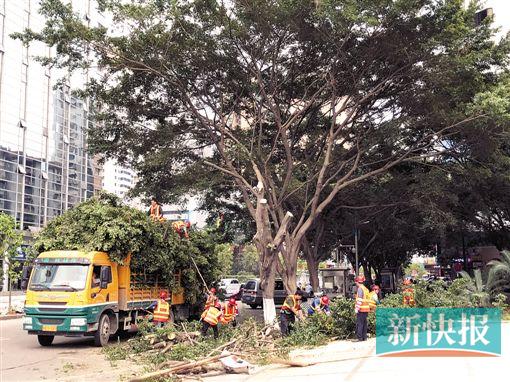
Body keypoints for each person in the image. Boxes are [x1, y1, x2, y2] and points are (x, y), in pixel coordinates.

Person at [354, 275, 370, 341]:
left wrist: (356, 309)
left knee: (360, 324)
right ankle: (364, 337)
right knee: (364, 324)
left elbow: (360, 300)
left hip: (361, 309)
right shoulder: (365, 289)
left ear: (357, 282)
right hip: (366, 309)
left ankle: (360, 337)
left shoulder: (360, 289)